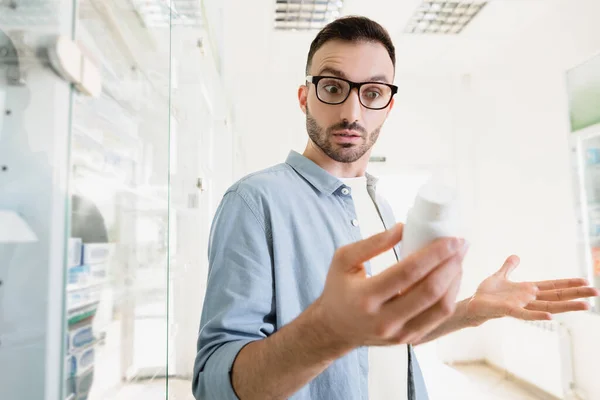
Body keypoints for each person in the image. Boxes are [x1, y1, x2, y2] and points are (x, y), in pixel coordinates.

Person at [192, 16, 599, 400]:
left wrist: (472, 310)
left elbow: (390, 331)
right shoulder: (253, 203)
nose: (352, 113)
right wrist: (327, 332)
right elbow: (215, 382)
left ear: (388, 105)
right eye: (333, 88)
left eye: (372, 93)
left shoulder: (379, 206)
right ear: (305, 98)